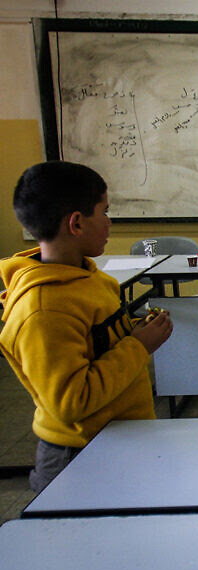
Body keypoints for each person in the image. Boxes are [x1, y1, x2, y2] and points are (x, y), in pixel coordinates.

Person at [0, 161, 173, 492]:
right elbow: (71, 402)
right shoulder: (43, 310)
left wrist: (135, 329)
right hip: (79, 456)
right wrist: (139, 345)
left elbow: (99, 342)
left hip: (119, 438)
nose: (109, 223)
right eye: (104, 212)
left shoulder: (91, 277)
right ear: (76, 223)